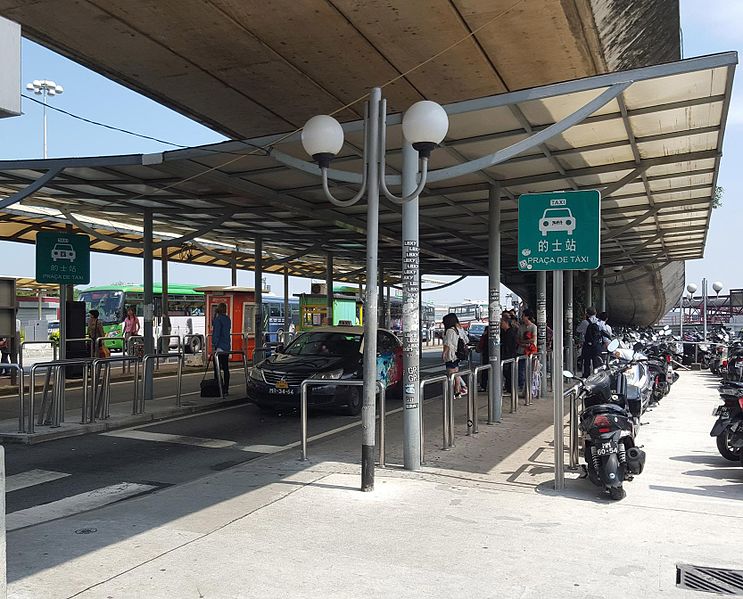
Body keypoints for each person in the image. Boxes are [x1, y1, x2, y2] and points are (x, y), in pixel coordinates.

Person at [442, 312, 469, 397]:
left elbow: (447, 344)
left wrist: (444, 354)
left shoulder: (449, 331)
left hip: (450, 355)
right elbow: (466, 340)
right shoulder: (457, 329)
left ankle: (457, 391)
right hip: (457, 355)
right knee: (456, 373)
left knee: (451, 375)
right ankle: (458, 391)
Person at [578, 306, 607, 377]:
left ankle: (586, 376)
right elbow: (604, 333)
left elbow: (578, 330)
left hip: (587, 344)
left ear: (587, 314)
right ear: (596, 313)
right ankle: (596, 376)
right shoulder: (600, 322)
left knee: (586, 361)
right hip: (597, 345)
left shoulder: (584, 322)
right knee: (596, 361)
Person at [212, 302, 231, 394]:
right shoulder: (228, 319)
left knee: (217, 369)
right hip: (227, 346)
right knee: (226, 368)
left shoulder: (218, 320)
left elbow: (216, 334)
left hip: (219, 347)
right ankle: (226, 388)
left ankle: (219, 387)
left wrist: (214, 345)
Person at [517, 309, 538, 388]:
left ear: (527, 316)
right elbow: (517, 339)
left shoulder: (533, 327)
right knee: (520, 369)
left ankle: (529, 385)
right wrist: (523, 343)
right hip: (520, 351)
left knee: (530, 369)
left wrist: (523, 341)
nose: (522, 317)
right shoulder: (521, 327)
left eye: (523, 315)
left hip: (530, 351)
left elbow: (533, 339)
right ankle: (522, 385)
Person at [500, 316, 518, 391]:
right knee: (506, 371)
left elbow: (509, 345)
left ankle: (510, 388)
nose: (501, 324)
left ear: (506, 323)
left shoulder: (510, 332)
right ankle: (508, 387)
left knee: (508, 371)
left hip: (509, 354)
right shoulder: (504, 332)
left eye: (502, 322)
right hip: (507, 354)